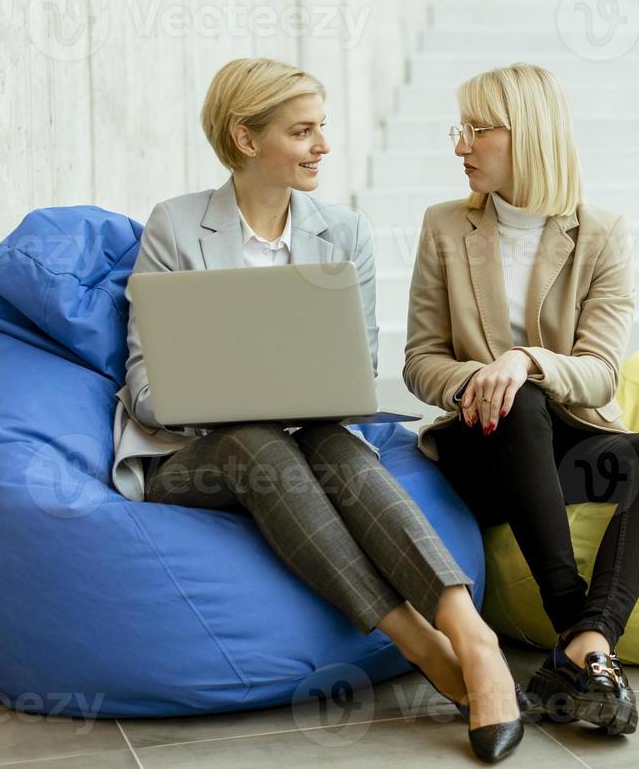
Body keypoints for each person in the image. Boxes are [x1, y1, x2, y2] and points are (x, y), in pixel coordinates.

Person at [114, 58, 523, 763]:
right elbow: (146, 385)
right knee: (255, 441)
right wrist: (228, 401)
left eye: (321, 128)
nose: (322, 147)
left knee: (336, 445)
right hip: (194, 456)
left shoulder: (343, 235)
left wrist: (302, 399)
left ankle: (471, 636)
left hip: (312, 438)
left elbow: (353, 373)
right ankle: (417, 641)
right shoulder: (176, 228)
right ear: (245, 139)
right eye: (302, 132)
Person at [402, 62, 639, 737]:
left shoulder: (601, 233)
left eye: (477, 130)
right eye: (460, 129)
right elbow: (420, 362)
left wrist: (526, 359)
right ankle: (573, 622)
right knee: (517, 404)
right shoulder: (445, 227)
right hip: (480, 446)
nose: (460, 145)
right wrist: (481, 380)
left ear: (526, 135)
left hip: (563, 443)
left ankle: (589, 644)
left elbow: (599, 374)